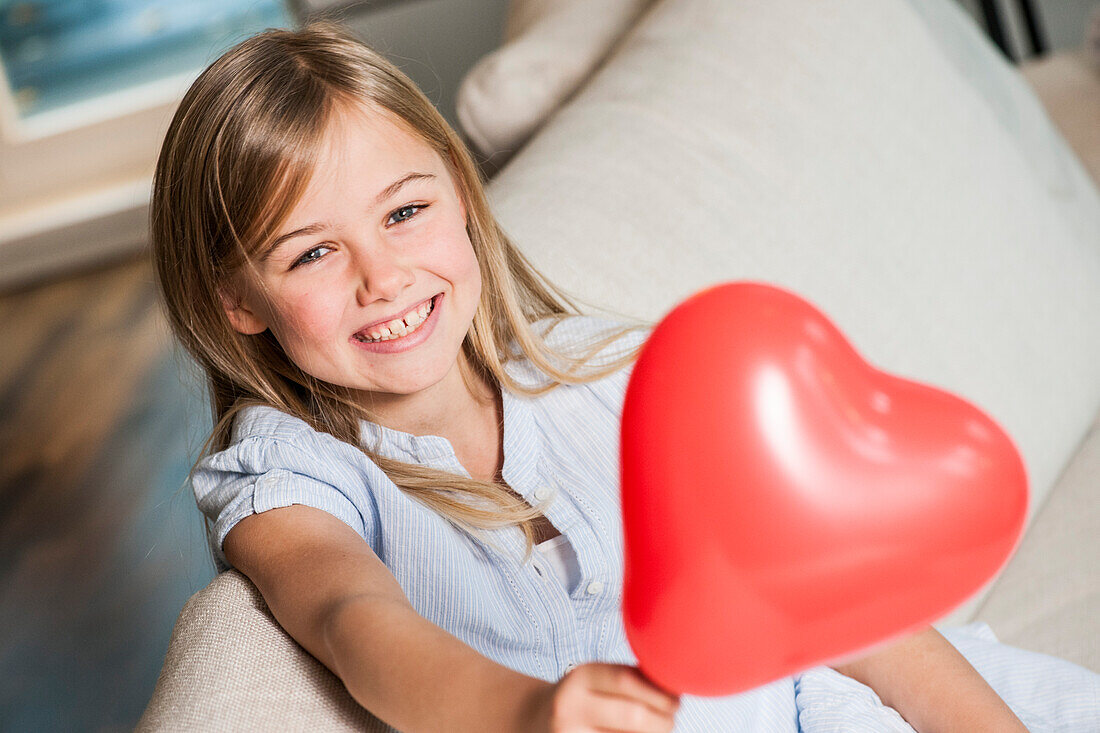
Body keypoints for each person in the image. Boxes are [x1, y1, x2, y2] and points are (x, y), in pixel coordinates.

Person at [150, 21, 1099, 733]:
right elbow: (353, 617)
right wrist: (526, 714)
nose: (382, 276)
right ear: (237, 298)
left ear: (459, 193)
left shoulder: (604, 374)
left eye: (404, 212)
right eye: (313, 253)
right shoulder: (292, 471)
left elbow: (843, 612)